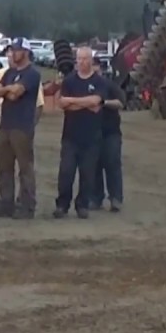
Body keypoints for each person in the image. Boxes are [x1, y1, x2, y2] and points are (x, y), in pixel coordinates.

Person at [0, 38, 42, 219]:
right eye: (12, 50)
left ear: (25, 52)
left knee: (25, 167)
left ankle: (27, 204)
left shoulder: (32, 74)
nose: (13, 53)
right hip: (6, 124)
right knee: (3, 166)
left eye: (16, 50)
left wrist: (7, 90)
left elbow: (16, 93)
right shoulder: (8, 72)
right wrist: (7, 91)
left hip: (22, 126)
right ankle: (6, 201)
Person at [53, 47, 106, 219]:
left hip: (91, 137)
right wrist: (85, 104)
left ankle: (82, 205)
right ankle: (62, 205)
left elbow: (96, 102)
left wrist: (73, 102)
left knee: (87, 174)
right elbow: (62, 103)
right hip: (70, 136)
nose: (82, 62)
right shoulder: (69, 81)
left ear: (91, 60)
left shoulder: (99, 81)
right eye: (79, 59)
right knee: (66, 173)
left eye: (85, 59)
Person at [94, 77, 125, 213]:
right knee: (94, 165)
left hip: (111, 131)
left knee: (112, 164)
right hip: (91, 132)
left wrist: (104, 102)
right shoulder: (83, 84)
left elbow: (121, 102)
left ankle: (115, 198)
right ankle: (95, 199)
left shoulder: (109, 84)